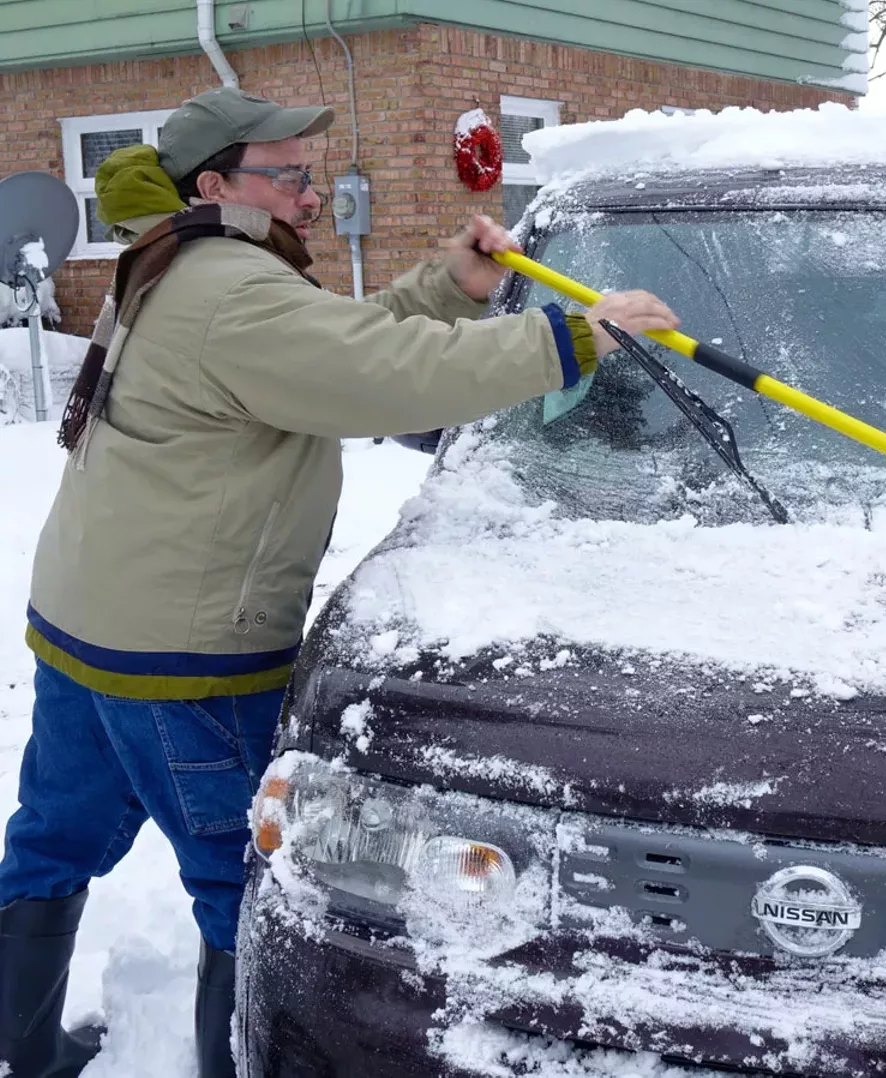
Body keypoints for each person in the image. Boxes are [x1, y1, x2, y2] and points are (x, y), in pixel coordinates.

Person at [0, 87, 679, 1078]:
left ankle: (16, 1051)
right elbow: (383, 373)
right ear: (217, 183)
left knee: (51, 841)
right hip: (181, 657)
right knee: (242, 881)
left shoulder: (178, 258)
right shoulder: (232, 287)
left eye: (308, 175)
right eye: (290, 176)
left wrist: (448, 282)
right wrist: (567, 338)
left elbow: (331, 347)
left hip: (86, 621)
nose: (311, 195)